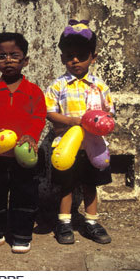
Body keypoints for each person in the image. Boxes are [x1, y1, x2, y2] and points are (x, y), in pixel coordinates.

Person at [45, 20, 115, 245]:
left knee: (90, 185)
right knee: (66, 185)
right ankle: (64, 222)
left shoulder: (100, 86)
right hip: (67, 145)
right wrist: (72, 121)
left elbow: (108, 113)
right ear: (62, 58)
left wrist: (100, 123)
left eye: (82, 55)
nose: (75, 60)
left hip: (93, 146)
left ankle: (91, 221)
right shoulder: (58, 86)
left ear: (93, 57)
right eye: (69, 55)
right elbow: (49, 112)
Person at [0, 32, 47, 254]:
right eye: (1, 56)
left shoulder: (33, 91)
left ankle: (21, 234)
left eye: (14, 55)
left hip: (23, 157)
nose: (8, 60)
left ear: (25, 60)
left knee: (25, 194)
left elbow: (38, 117)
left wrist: (31, 135)